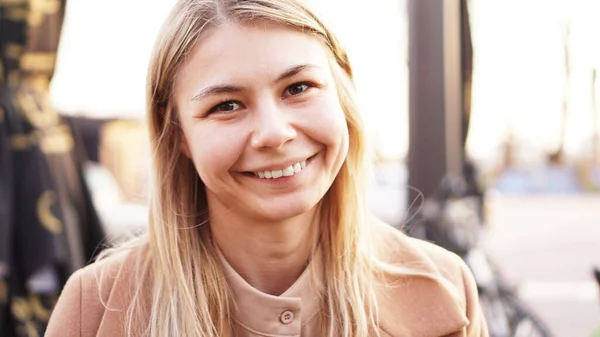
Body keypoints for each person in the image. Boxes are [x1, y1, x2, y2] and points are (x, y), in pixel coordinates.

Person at [45, 0, 488, 336]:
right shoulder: (96, 309)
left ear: (342, 94)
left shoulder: (443, 291)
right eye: (227, 105)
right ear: (177, 133)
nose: (274, 134)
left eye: (298, 87)